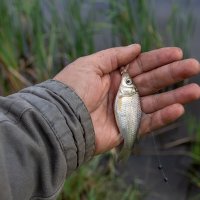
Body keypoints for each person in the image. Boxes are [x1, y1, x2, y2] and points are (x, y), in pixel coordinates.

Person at [0, 44, 199, 200]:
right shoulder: (126, 92)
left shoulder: (127, 94)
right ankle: (126, 147)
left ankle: (126, 147)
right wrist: (62, 110)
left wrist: (61, 111)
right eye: (128, 82)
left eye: (127, 83)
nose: (126, 83)